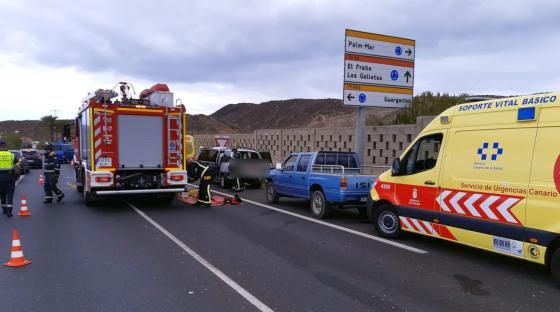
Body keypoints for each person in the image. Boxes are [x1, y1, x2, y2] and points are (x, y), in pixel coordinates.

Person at [0, 139, 18, 217]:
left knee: (2, 193)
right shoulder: (11, 155)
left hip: (0, 177)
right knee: (10, 194)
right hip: (10, 176)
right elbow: (18, 165)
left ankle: (4, 209)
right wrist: (17, 175)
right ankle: (9, 212)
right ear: (5, 145)